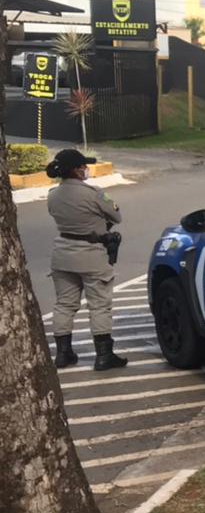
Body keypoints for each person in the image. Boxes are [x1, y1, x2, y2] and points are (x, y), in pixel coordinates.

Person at [45, 148, 127, 371]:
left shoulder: (53, 194)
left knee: (64, 305)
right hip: (91, 254)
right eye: (83, 166)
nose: (86, 170)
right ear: (77, 170)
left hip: (62, 254)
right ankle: (104, 356)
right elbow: (116, 216)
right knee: (99, 306)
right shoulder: (94, 194)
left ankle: (63, 354)